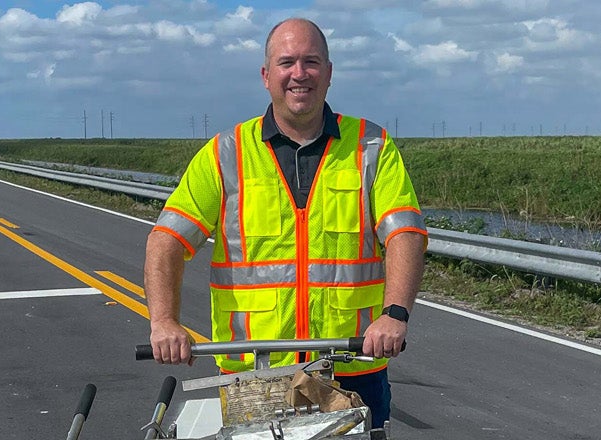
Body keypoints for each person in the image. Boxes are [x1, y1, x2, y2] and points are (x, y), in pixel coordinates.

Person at [144, 17, 426, 434]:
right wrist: (164, 321)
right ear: (266, 75)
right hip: (255, 371)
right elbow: (167, 240)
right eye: (286, 62)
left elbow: (405, 234)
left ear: (329, 73)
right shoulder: (226, 153)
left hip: (351, 365)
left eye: (311, 62)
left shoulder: (371, 146)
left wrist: (395, 314)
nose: (299, 74)